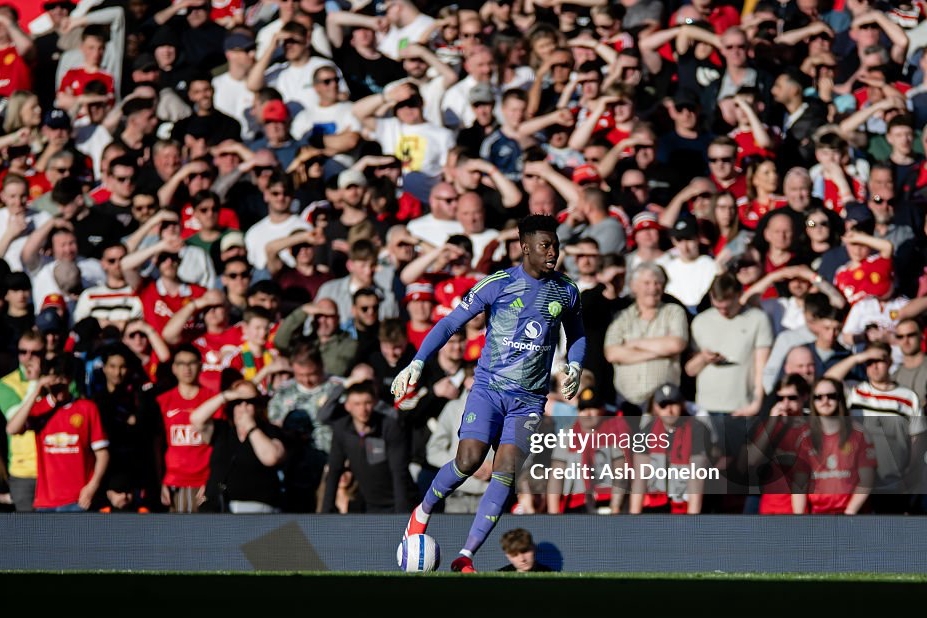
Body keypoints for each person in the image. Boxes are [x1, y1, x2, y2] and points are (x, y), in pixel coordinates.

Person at [391, 214, 586, 573]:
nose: (552, 253)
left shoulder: (566, 290)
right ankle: (422, 511)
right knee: (468, 460)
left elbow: (577, 335)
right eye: (545, 245)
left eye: (555, 246)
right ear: (524, 247)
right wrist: (417, 362)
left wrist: (574, 365)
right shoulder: (498, 283)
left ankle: (466, 555)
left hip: (529, 400)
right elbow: (450, 322)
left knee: (506, 472)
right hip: (490, 389)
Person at [5, 355, 109, 512]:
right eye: (53, 381)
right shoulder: (40, 409)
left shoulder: (86, 408)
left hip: (78, 499)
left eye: (62, 380)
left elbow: (102, 454)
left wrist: (92, 486)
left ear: (69, 380)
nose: (58, 386)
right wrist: (36, 390)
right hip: (46, 502)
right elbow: (12, 429)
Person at [190, 379, 289, 513]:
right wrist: (225, 396)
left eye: (249, 402)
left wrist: (251, 428)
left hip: (257, 510)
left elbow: (271, 457)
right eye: (237, 402)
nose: (243, 406)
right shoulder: (222, 430)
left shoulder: (270, 431)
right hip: (218, 508)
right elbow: (196, 419)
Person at [791, 376, 877, 515]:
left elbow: (867, 479)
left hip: (853, 516)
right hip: (817, 516)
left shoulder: (858, 435)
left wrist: (849, 513)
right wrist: (798, 518)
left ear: (840, 399)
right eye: (819, 397)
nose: (825, 401)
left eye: (831, 396)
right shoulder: (805, 438)